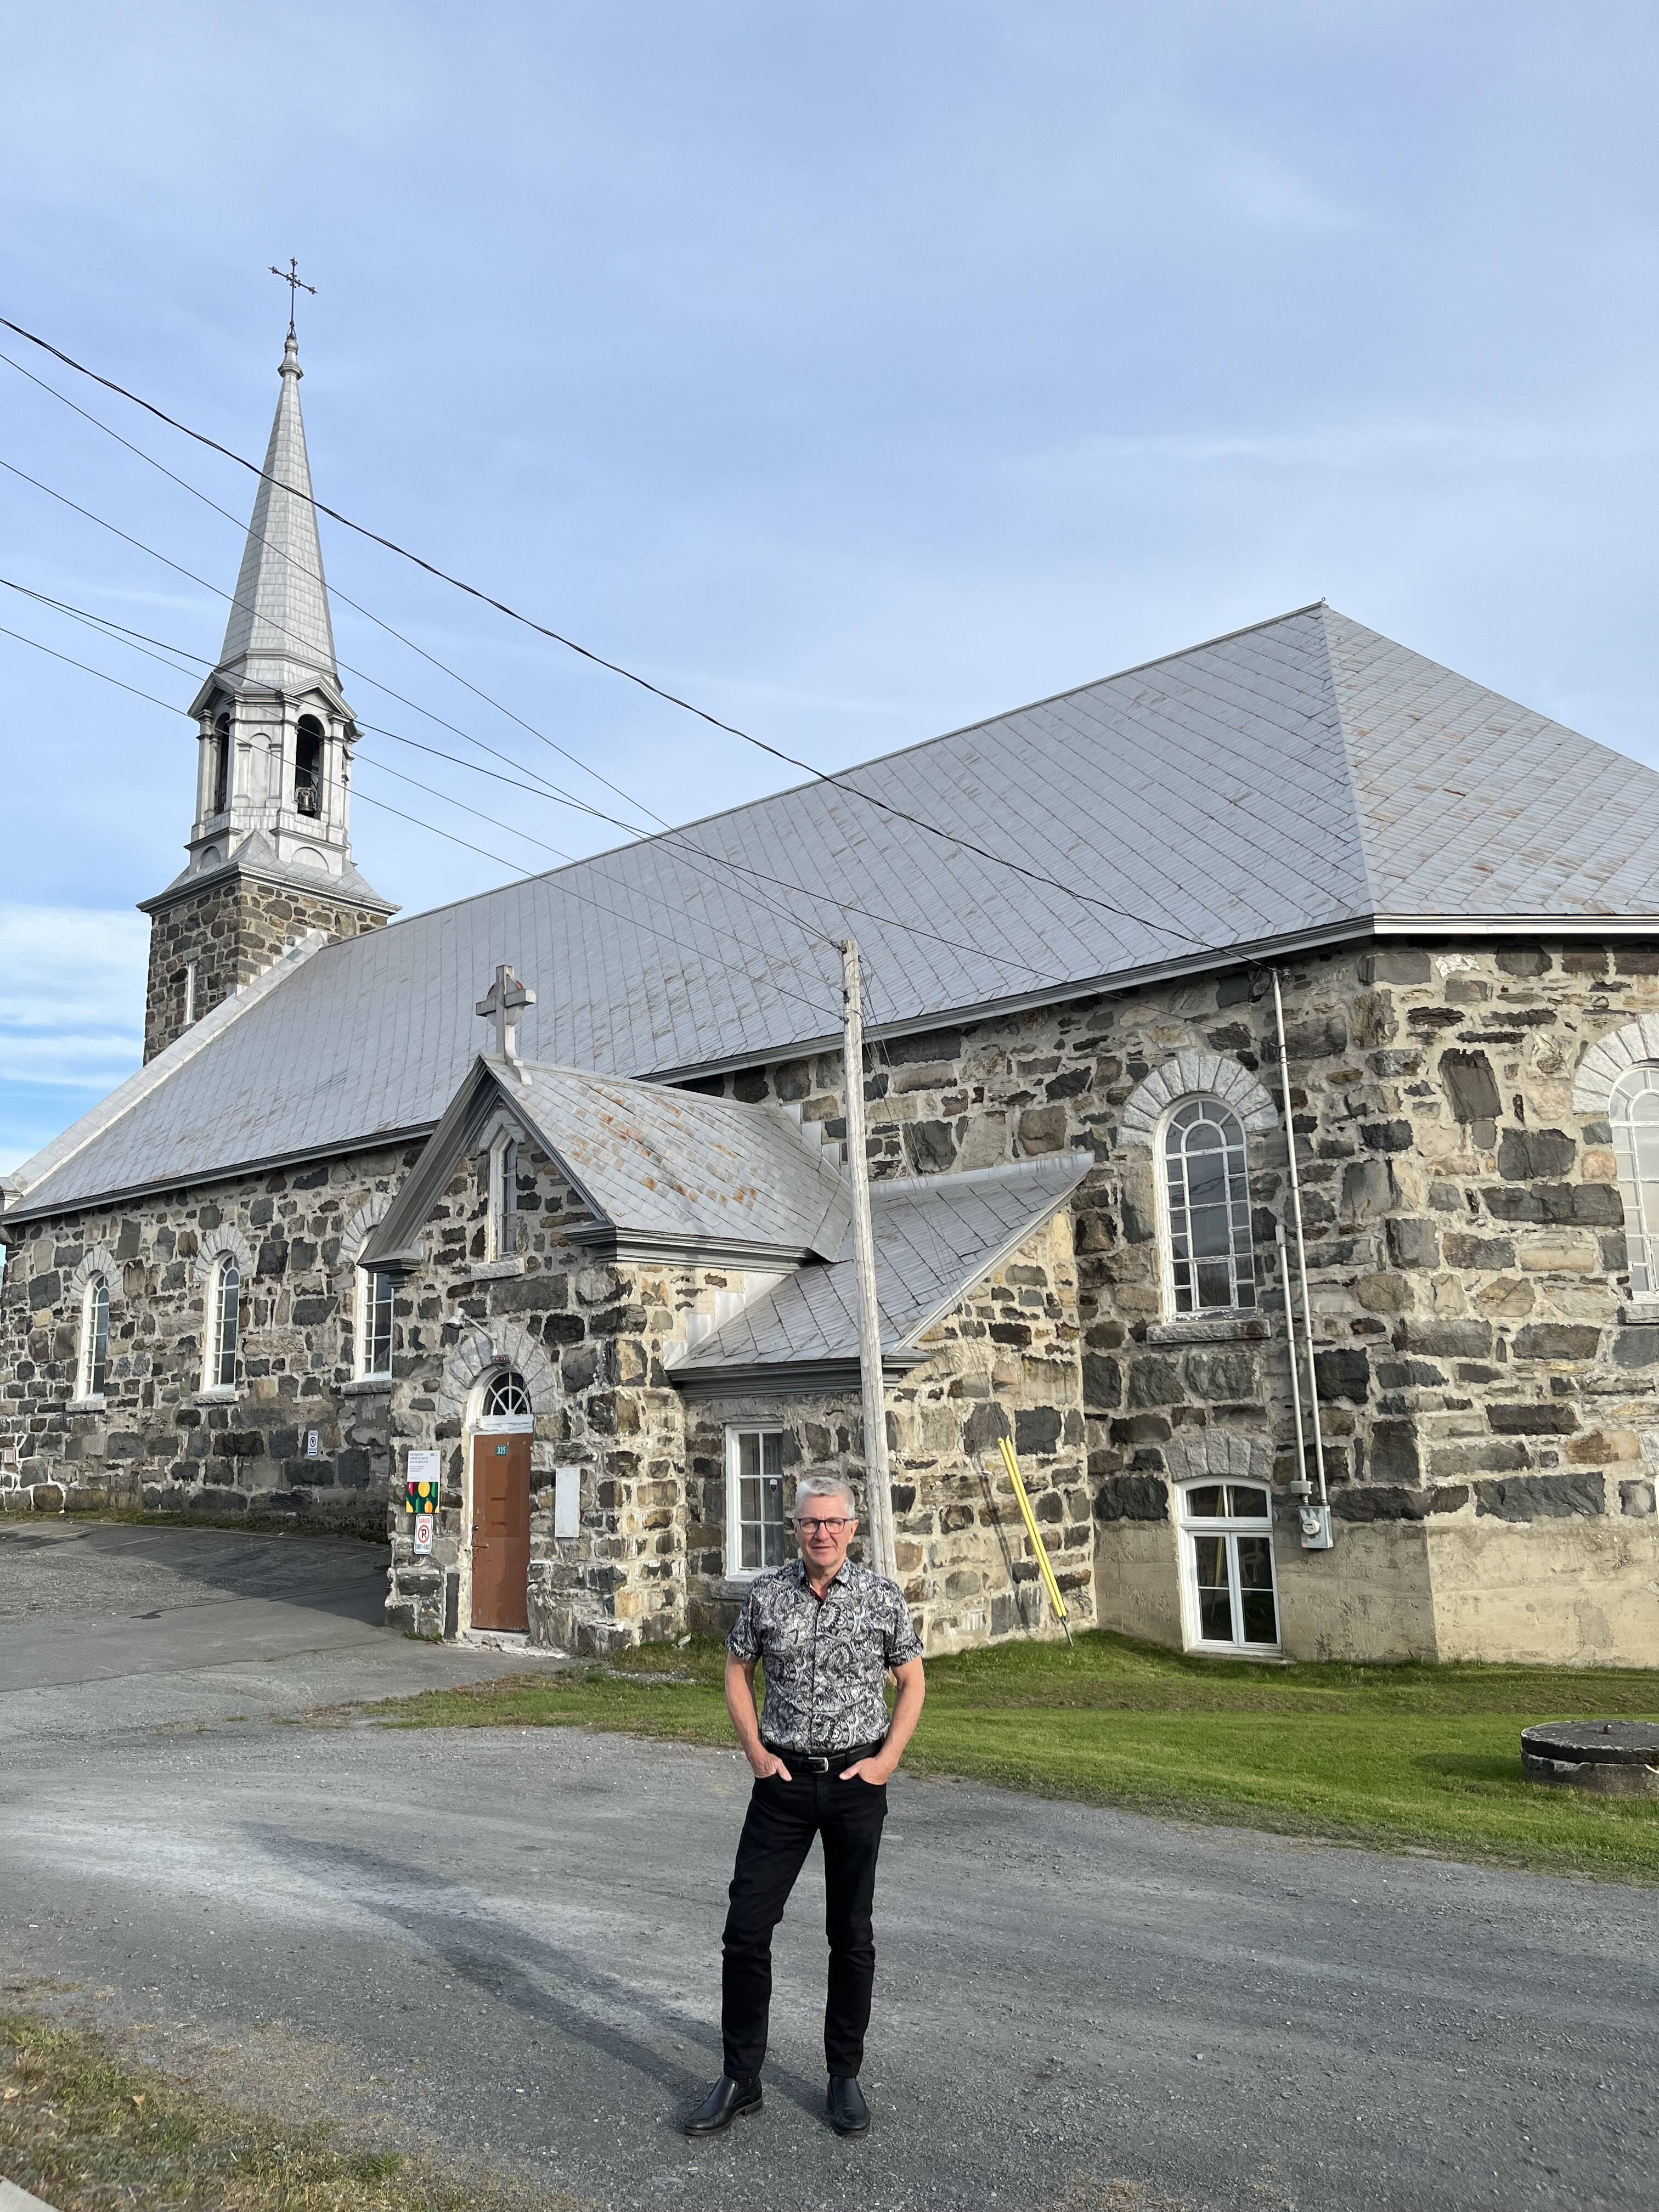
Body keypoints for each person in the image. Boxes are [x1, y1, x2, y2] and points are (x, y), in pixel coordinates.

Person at [682, 1472, 926, 2140]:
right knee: (745, 1928)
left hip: (856, 1782)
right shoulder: (767, 1595)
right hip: (783, 1783)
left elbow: (912, 1679)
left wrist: (887, 1762)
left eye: (832, 1522)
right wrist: (757, 1754)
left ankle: (843, 2076)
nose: (821, 1533)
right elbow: (737, 1668)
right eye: (809, 1523)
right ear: (796, 1529)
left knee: (850, 1934)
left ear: (852, 1528)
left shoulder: (881, 1597)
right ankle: (742, 2077)